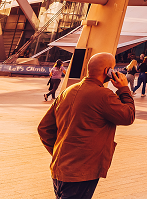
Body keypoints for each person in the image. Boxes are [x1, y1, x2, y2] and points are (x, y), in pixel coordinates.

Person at [37, 52, 135, 199]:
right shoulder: (103, 95)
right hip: (81, 171)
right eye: (113, 68)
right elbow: (128, 116)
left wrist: (60, 153)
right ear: (107, 71)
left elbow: (43, 128)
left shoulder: (67, 91)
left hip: (60, 168)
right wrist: (123, 89)